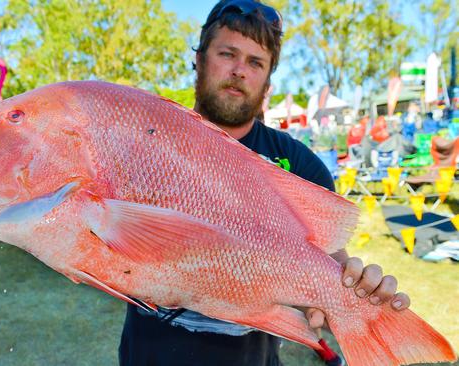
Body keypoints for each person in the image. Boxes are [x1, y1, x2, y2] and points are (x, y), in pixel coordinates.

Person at [118, 1, 410, 365]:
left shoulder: (300, 164)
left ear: (269, 79)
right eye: (228, 53)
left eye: (256, 62)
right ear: (200, 58)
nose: (240, 71)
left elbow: (328, 257)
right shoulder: (146, 140)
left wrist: (352, 289)